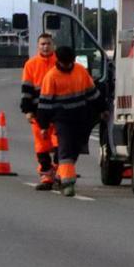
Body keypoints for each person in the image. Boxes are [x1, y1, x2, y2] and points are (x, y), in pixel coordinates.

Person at [36, 46, 106, 197]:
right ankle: (67, 183)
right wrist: (43, 126)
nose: (67, 66)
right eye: (65, 63)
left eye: (70, 63)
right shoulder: (51, 77)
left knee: (75, 149)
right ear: (59, 61)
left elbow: (92, 93)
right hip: (62, 120)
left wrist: (102, 109)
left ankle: (60, 175)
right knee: (66, 149)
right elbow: (44, 105)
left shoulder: (80, 71)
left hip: (81, 118)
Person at [20, 33, 60, 190]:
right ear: (38, 46)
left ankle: (59, 172)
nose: (45, 46)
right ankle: (46, 176)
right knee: (41, 146)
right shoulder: (31, 64)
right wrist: (27, 110)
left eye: (48, 43)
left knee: (59, 144)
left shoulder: (60, 62)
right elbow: (26, 90)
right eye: (43, 44)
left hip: (58, 112)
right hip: (38, 112)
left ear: (53, 45)